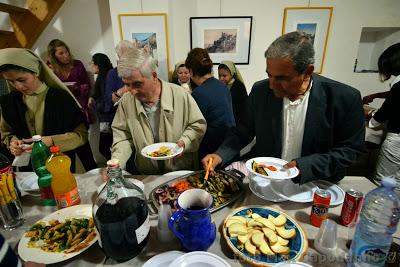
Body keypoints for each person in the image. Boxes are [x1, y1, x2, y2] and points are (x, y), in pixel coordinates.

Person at [202, 31, 365, 184]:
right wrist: (219, 154)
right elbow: (242, 132)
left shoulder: (345, 98)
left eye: (282, 78)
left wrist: (305, 166)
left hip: (317, 185)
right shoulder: (260, 91)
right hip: (268, 181)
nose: (272, 85)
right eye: (269, 75)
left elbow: (350, 150)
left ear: (307, 72)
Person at [111, 47, 206, 174]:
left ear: (154, 76)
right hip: (147, 173)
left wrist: (185, 141)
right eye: (127, 85)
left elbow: (197, 125)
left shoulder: (180, 95)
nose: (132, 91)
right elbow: (122, 137)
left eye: (137, 84)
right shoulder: (126, 102)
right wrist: (117, 161)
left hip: (179, 171)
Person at [0, 48, 90, 172]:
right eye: (11, 81)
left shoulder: (61, 98)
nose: (18, 86)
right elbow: (6, 133)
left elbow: (81, 135)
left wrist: (51, 141)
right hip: (29, 171)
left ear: (36, 72)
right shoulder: (9, 102)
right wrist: (13, 143)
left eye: (22, 80)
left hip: (60, 166)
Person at [47, 39, 97, 171]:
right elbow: (49, 90)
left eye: (66, 52)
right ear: (53, 56)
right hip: (62, 113)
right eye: (61, 53)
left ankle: (93, 173)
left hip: (79, 109)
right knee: (67, 153)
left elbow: (87, 85)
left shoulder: (77, 64)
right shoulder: (50, 68)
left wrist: (76, 88)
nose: (66, 55)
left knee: (84, 148)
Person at [185, 48, 236, 160]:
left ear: (191, 71)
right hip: (229, 146)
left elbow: (194, 126)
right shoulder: (222, 86)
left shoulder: (199, 93)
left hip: (211, 151)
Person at [368, 43, 400, 184]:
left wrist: (371, 117)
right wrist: (376, 94)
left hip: (397, 140)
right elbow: (393, 95)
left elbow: (385, 112)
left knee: (384, 183)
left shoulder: (398, 84)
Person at [89, 53, 114, 160]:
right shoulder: (107, 75)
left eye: (92, 63)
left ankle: (115, 166)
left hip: (107, 118)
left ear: (97, 65)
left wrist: (96, 105)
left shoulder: (104, 78)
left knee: (104, 147)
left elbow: (106, 100)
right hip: (107, 117)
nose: (90, 66)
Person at [106, 40, 133, 107]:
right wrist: (120, 92)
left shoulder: (140, 69)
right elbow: (109, 99)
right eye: (123, 55)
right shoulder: (113, 73)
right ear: (119, 56)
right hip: (122, 110)